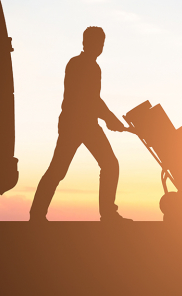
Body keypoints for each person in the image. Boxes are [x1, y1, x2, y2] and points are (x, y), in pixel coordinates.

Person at [29, 26, 133, 222]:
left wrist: (108, 118)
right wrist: (110, 119)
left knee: (108, 164)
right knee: (59, 170)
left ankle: (107, 213)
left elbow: (94, 99)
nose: (99, 47)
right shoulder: (81, 65)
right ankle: (37, 215)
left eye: (101, 43)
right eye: (96, 43)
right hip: (75, 126)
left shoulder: (88, 65)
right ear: (85, 43)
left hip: (85, 125)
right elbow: (90, 99)